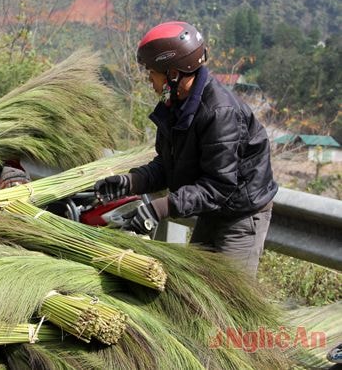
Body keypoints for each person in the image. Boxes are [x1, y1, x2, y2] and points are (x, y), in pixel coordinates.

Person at [94, 21, 278, 278]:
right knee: (200, 289)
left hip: (240, 217)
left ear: (173, 72)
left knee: (230, 302)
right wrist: (130, 182)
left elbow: (219, 186)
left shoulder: (219, 113)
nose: (149, 79)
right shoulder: (176, 106)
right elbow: (168, 165)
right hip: (213, 211)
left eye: (152, 72)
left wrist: (159, 209)